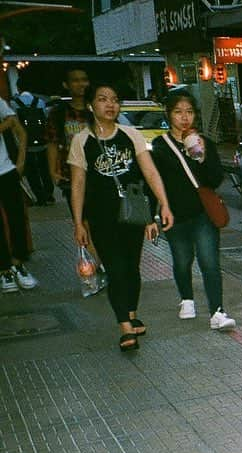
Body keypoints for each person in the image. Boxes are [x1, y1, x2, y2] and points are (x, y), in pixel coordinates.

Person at [68, 83, 174, 352]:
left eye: (114, 99)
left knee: (131, 268)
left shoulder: (130, 135)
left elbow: (149, 172)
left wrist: (163, 205)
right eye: (103, 99)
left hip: (133, 211)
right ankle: (125, 328)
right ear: (91, 105)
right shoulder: (82, 141)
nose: (110, 104)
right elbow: (78, 184)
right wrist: (79, 222)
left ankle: (130, 313)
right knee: (115, 270)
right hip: (101, 216)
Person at [149, 90, 235, 331]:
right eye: (178, 112)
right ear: (169, 115)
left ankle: (217, 312)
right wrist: (152, 217)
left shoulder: (205, 142)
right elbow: (153, 183)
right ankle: (187, 298)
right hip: (175, 215)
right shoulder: (160, 146)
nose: (184, 117)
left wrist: (201, 156)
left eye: (189, 112)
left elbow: (215, 179)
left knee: (209, 262)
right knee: (182, 260)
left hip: (202, 214)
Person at [47, 65, 108, 295]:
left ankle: (104, 265)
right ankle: (100, 268)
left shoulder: (97, 111)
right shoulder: (59, 113)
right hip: (72, 177)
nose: (80, 84)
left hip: (99, 174)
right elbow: (52, 143)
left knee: (103, 223)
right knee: (83, 223)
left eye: (84, 80)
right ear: (66, 85)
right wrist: (53, 170)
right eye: (75, 80)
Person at [0, 99, 33, 293]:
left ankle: (18, 262)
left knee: (17, 218)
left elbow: (14, 123)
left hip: (5, 169)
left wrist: (20, 162)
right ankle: (4, 269)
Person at [13, 90, 54, 206]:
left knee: (31, 171)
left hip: (25, 144)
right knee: (44, 168)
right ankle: (49, 194)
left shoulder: (14, 103)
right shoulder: (40, 102)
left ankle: (40, 197)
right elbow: (45, 117)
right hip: (42, 142)